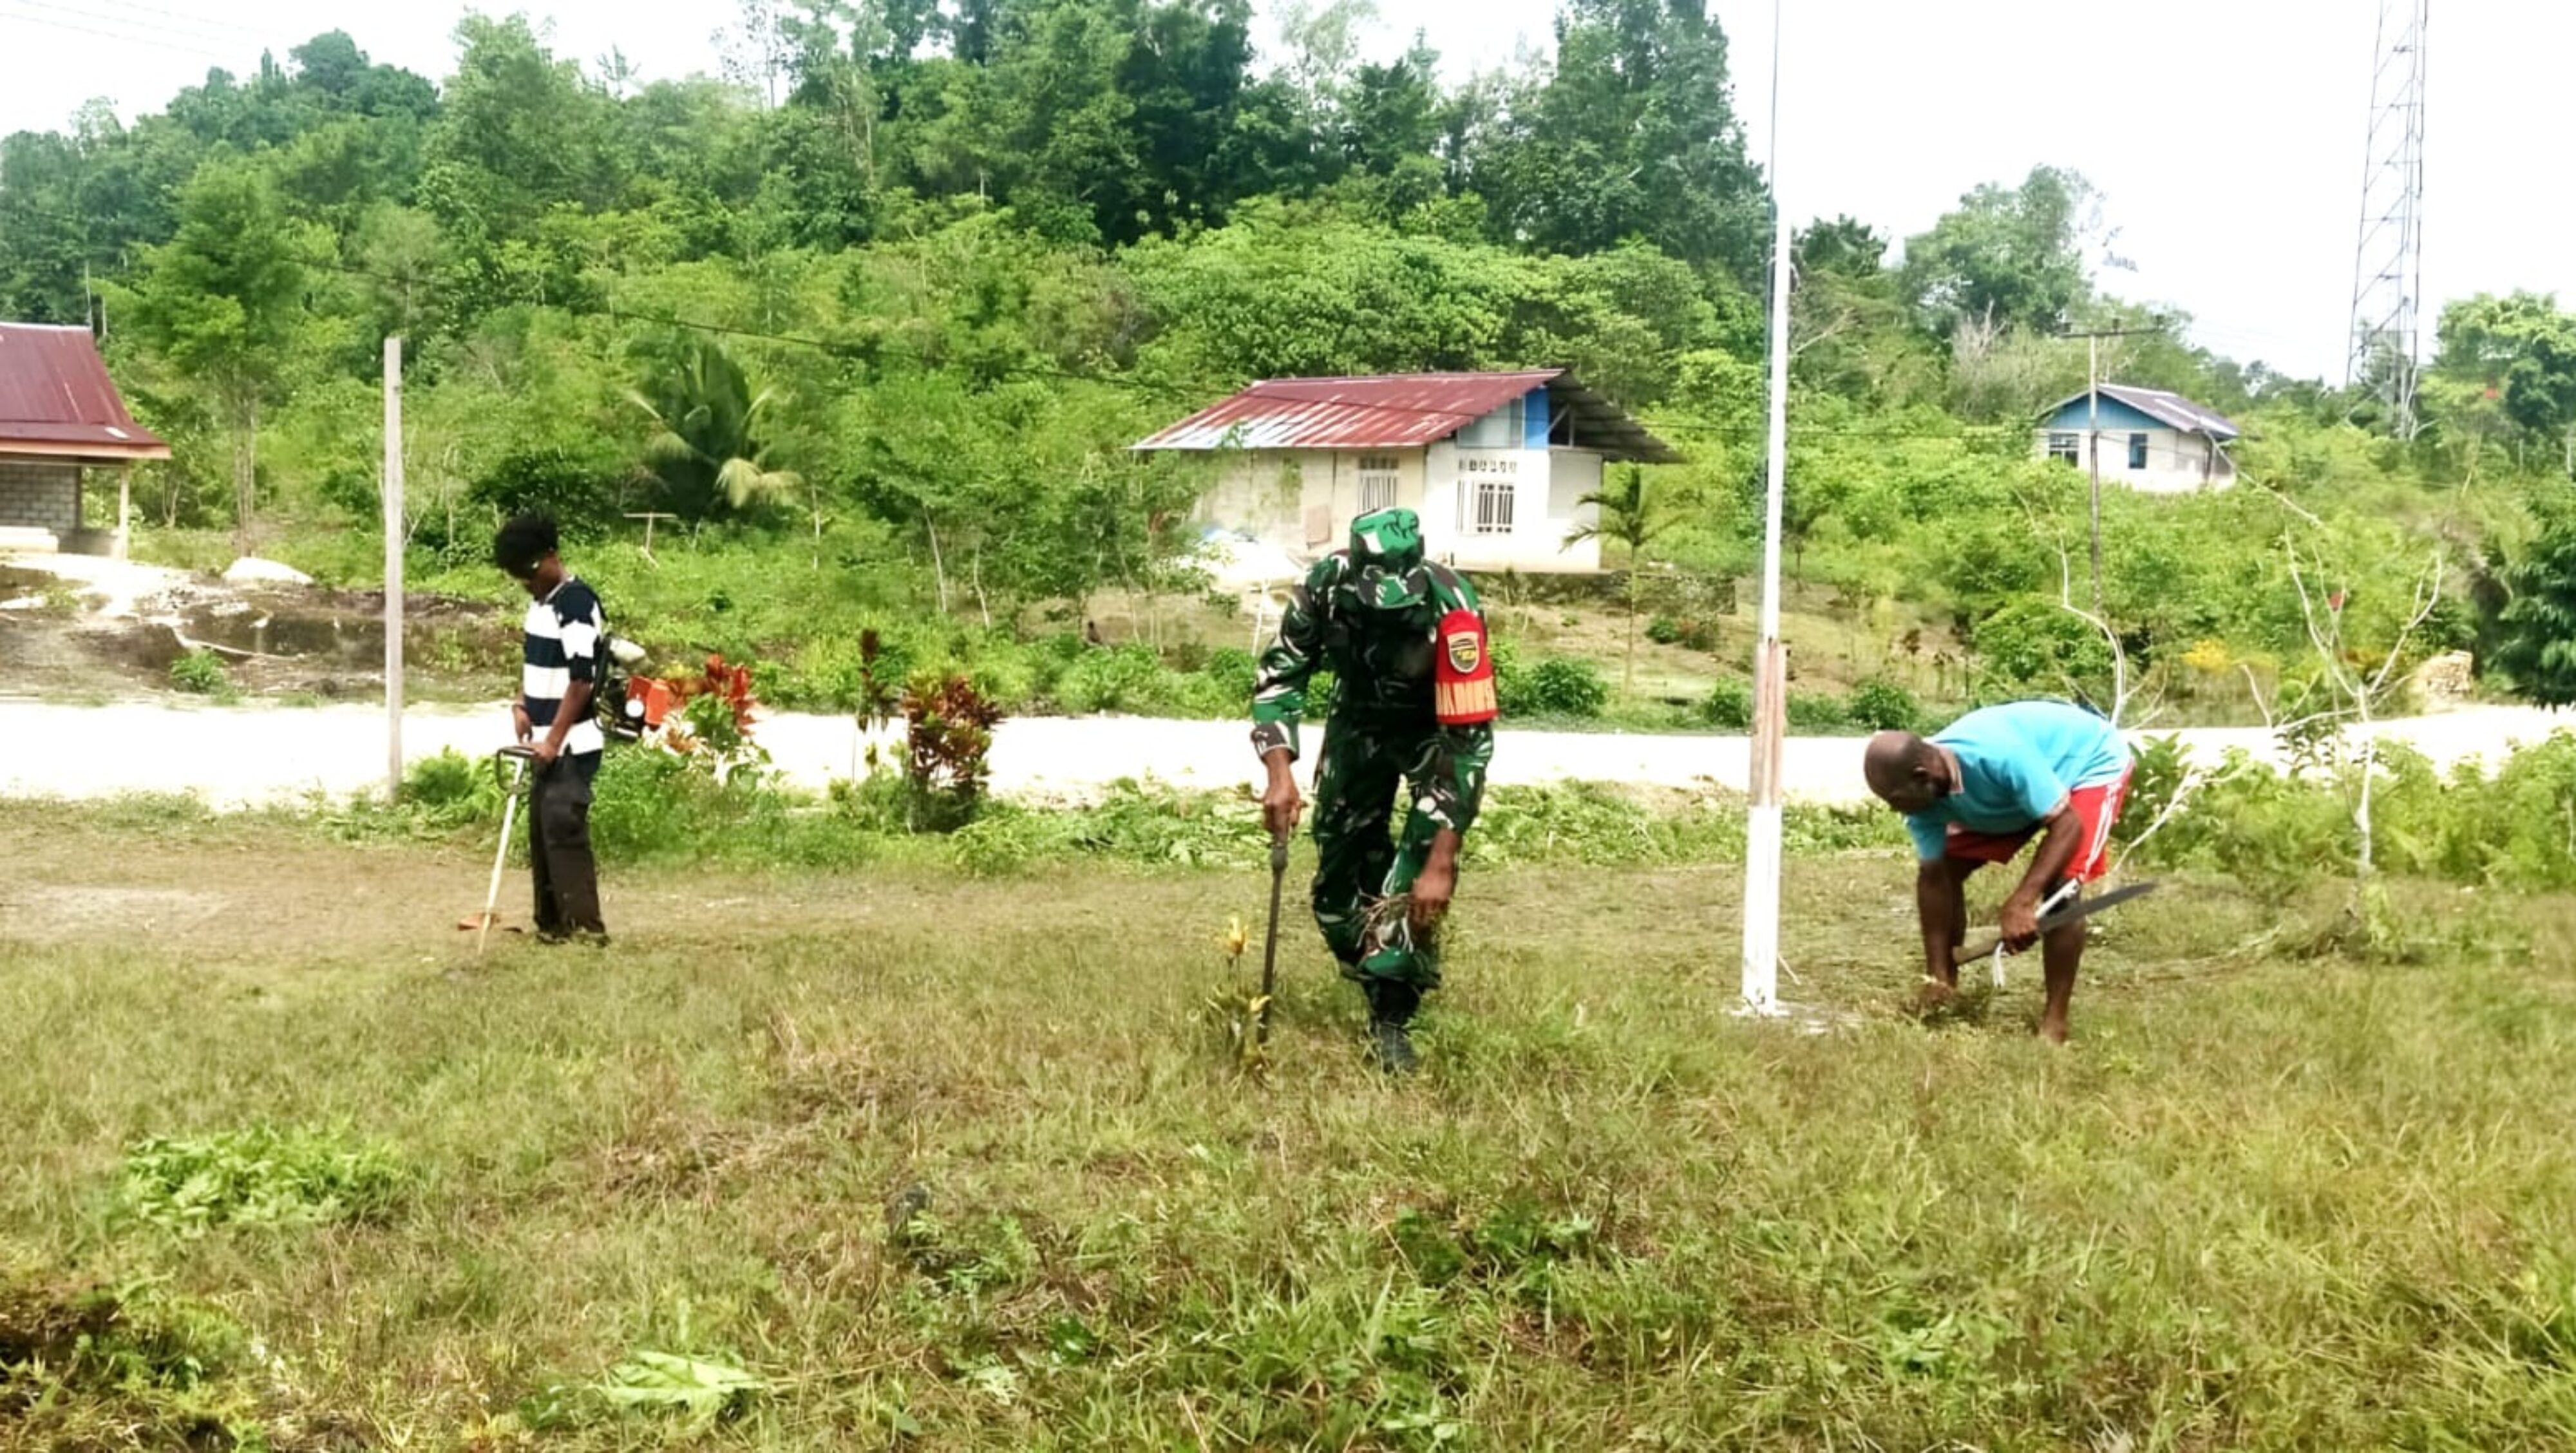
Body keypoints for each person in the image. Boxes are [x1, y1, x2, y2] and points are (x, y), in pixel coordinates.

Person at [1254, 508, 1497, 1074]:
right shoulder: (1325, 587)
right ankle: (1372, 968)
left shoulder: (1454, 609)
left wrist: (1441, 860)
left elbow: (1467, 746)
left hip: (1432, 730)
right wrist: (1279, 773)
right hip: (1357, 722)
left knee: (1413, 879)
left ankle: (1392, 1016)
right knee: (1337, 880)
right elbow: (1281, 677)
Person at [1862, 699, 2134, 1043]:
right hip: (2020, 792)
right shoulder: (1922, 795)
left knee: (2062, 888)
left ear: (1922, 777)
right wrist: (1937, 971)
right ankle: (1945, 989)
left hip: (2087, 765)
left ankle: (2055, 1024)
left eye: (1896, 799)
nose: (1893, 808)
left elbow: (2067, 826)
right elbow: (1933, 878)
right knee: (1946, 867)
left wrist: (2021, 903)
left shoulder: (1999, 754)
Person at [494, 513, 609, 944]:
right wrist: (522, 704)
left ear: (551, 558)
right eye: (517, 577)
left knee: (564, 826)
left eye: (529, 573)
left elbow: (581, 679)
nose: (526, 582)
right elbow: (539, 665)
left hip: (571, 743)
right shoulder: (539, 606)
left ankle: (585, 930)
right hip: (541, 737)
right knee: (542, 832)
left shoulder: (576, 604)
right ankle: (553, 926)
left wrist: (554, 739)